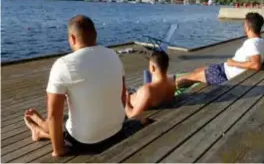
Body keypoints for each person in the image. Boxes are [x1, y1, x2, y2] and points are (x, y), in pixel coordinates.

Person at [23, 15, 126, 157]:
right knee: (68, 118)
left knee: (61, 121)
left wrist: (58, 150)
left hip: (86, 141)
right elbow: (122, 97)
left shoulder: (63, 64)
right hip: (117, 130)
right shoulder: (113, 55)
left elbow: (54, 115)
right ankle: (39, 125)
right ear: (95, 35)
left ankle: (38, 130)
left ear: (72, 38)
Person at [176, 12, 264, 88]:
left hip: (225, 75)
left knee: (191, 76)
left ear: (248, 27)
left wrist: (233, 63)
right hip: (225, 69)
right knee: (201, 69)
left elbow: (256, 65)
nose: (244, 26)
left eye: (245, 24)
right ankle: (184, 81)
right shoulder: (263, 42)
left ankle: (170, 86)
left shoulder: (252, 43)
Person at [125, 50, 176, 118]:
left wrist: (126, 102)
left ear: (153, 67)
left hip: (127, 107)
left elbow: (133, 116)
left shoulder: (147, 90)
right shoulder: (172, 82)